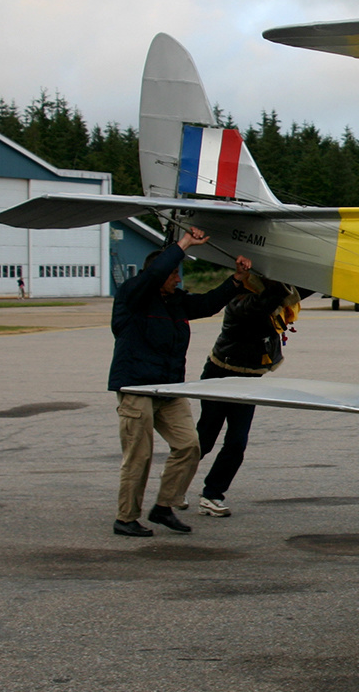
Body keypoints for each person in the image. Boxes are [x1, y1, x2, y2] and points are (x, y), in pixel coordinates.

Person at [109, 227, 250, 537]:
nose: (177, 279)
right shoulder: (132, 296)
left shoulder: (175, 302)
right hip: (136, 388)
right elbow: (156, 271)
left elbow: (208, 304)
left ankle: (163, 507)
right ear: (157, 275)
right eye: (173, 274)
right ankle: (126, 518)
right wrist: (183, 243)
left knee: (189, 446)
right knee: (140, 456)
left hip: (169, 389)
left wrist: (237, 279)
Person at [194, 276, 301, 515]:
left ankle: (212, 494)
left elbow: (293, 292)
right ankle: (174, 481)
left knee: (237, 442)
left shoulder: (270, 299)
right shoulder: (240, 303)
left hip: (248, 380)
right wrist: (282, 283)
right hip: (219, 377)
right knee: (205, 439)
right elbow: (262, 305)